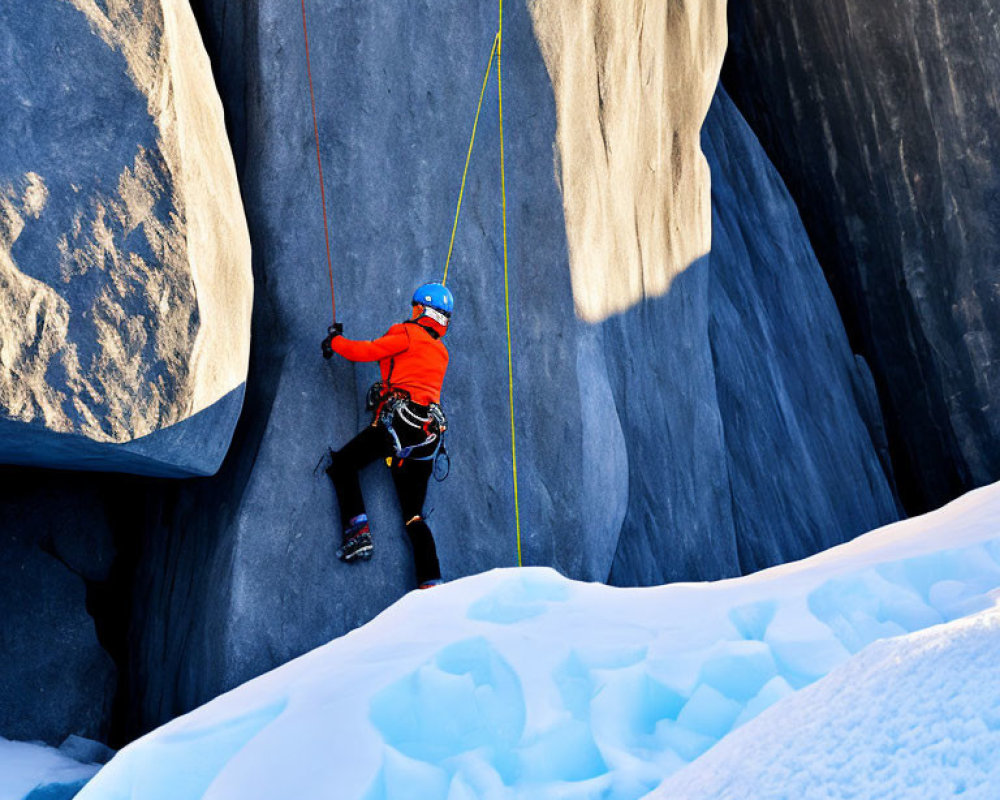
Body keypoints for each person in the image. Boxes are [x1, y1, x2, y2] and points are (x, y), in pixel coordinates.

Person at [321, 282, 453, 589]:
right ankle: (430, 580)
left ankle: (358, 535)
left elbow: (365, 351)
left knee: (343, 465)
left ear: (421, 309)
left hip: (398, 424)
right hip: (426, 436)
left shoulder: (406, 333)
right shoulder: (442, 352)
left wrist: (335, 340)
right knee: (414, 515)